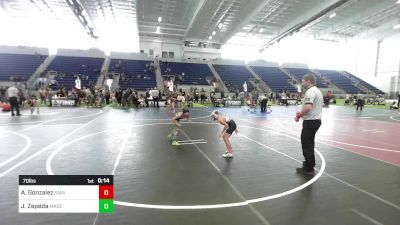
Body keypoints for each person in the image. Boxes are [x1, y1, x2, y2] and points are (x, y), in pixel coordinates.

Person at [294, 74, 323, 175]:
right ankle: (309, 163)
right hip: (315, 120)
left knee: (307, 144)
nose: (302, 83)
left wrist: (299, 115)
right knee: (309, 143)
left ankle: (309, 168)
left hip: (311, 121)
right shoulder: (317, 91)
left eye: (303, 81)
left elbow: (308, 107)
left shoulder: (310, 92)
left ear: (308, 82)